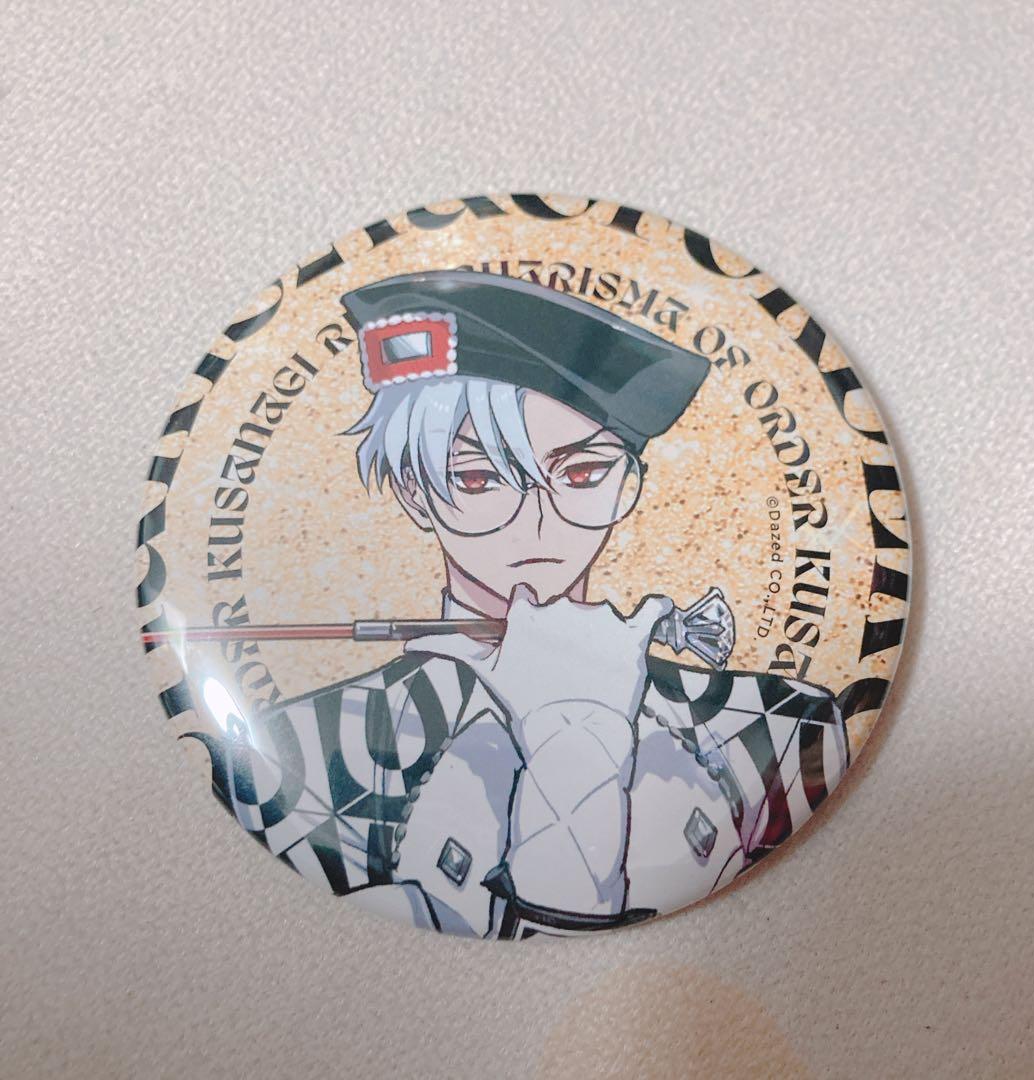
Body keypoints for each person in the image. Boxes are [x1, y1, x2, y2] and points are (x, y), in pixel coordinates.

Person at [195, 270, 848, 938]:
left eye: (582, 473)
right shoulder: (294, 757)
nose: (538, 524)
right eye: (479, 478)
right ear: (415, 493)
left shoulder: (778, 728)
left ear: (628, 486)